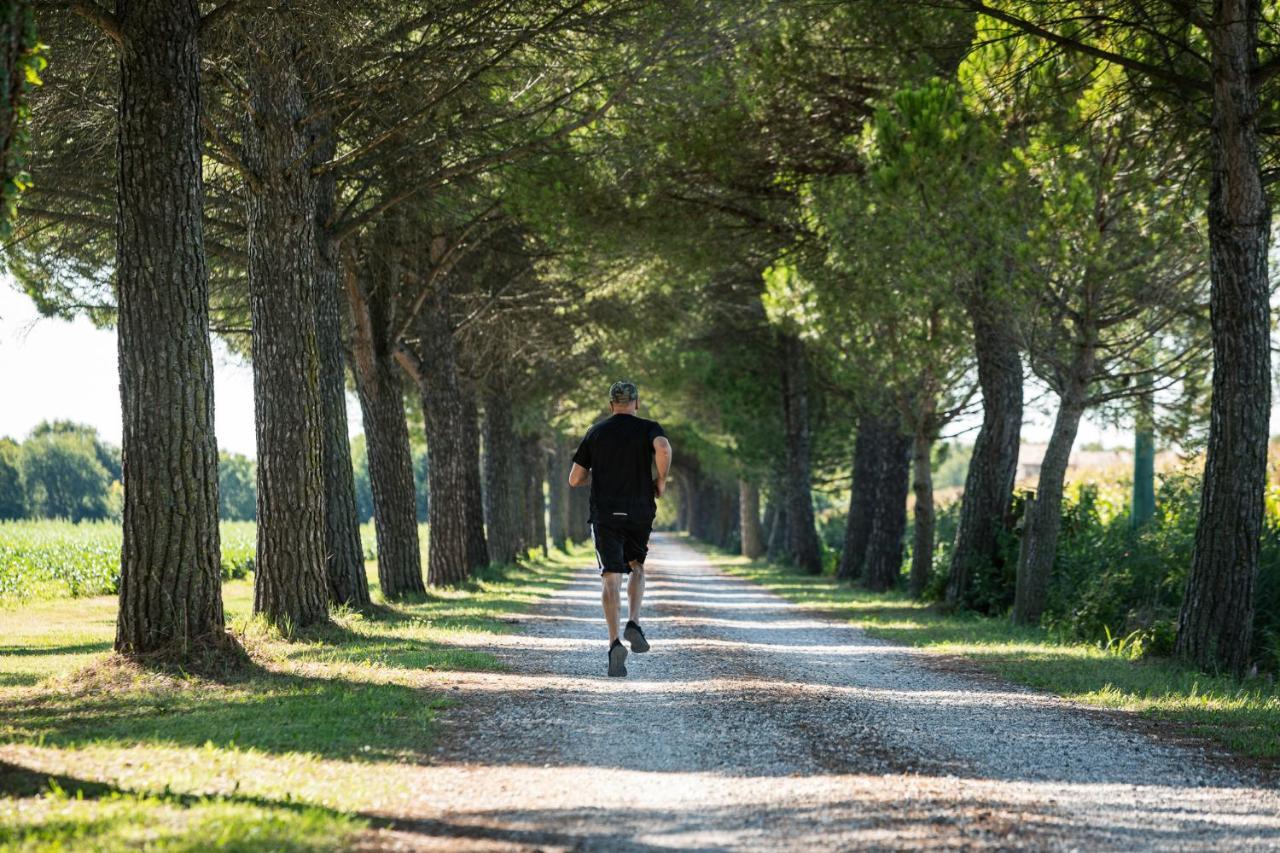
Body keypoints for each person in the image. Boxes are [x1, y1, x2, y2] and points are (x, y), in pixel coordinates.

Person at [569, 380, 673, 677]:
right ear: (636, 403)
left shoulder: (596, 432)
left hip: (605, 513)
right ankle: (634, 622)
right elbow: (663, 448)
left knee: (610, 576)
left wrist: (599, 475)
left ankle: (614, 642)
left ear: (610, 404)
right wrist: (661, 480)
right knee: (637, 566)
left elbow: (574, 479)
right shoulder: (649, 428)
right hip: (639, 510)